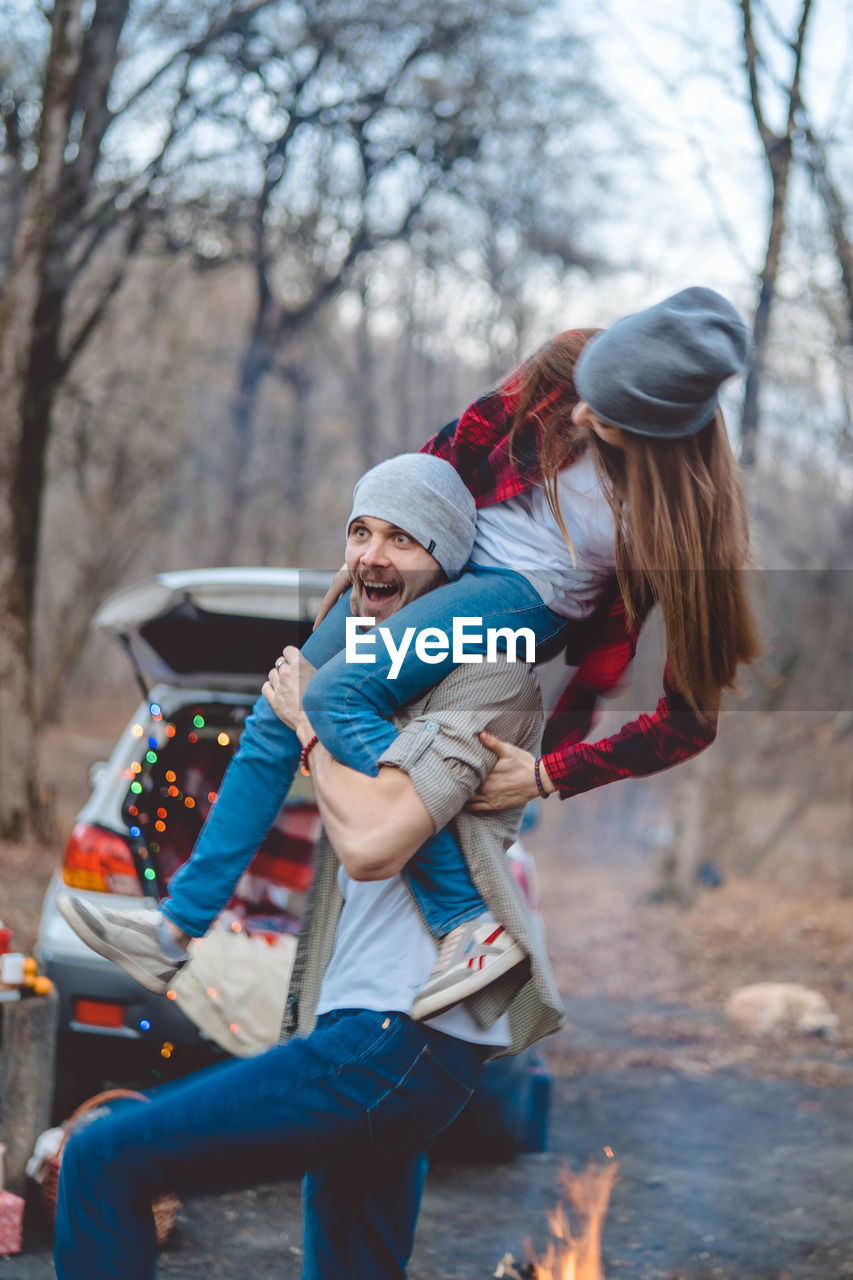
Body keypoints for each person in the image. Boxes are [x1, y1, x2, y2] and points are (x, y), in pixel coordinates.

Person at [60, 286, 762, 1018]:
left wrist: (553, 774)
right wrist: (379, 539)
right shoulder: (566, 363)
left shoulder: (691, 533)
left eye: (604, 417)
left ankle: (469, 923)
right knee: (277, 708)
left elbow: (689, 723)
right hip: (436, 552)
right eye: (587, 394)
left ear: (656, 435)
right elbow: (451, 449)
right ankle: (173, 931)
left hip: (524, 597)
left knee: (333, 696)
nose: (578, 413)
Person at [54, 456, 563, 1280]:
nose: (372, 554)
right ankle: (172, 926)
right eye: (361, 531)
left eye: (403, 538)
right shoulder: (366, 674)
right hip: (365, 1025)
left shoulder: (491, 676)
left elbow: (375, 842)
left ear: (452, 574)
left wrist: (312, 721)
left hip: (403, 1034)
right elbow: (284, 736)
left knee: (105, 1160)